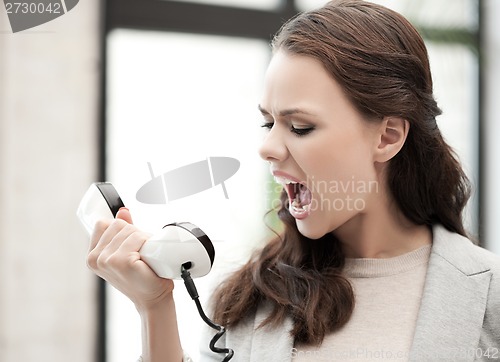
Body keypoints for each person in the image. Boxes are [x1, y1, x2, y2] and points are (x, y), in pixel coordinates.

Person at [87, 1, 500, 361]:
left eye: (299, 126)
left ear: (388, 135)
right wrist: (154, 307)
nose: (267, 147)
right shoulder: (246, 298)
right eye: (268, 122)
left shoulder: (490, 298)